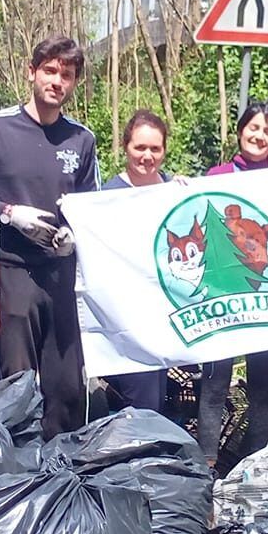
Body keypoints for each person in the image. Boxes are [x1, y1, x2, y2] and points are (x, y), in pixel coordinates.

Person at [0, 37, 98, 434]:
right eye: (50, 71)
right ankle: (17, 463)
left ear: (74, 84)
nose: (57, 81)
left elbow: (92, 206)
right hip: (11, 269)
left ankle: (65, 467)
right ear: (32, 73)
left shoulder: (82, 139)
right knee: (16, 378)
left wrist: (77, 234)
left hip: (60, 272)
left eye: (67, 75)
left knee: (67, 384)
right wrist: (8, 213)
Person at [198, 100, 268, 467]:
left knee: (261, 386)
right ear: (240, 132)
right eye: (253, 127)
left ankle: (256, 462)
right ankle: (206, 464)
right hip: (221, 296)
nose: (259, 135)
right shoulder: (216, 175)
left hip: (264, 296)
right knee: (215, 383)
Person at [100, 109, 174, 414]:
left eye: (155, 148)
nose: (147, 156)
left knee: (160, 398)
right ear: (125, 147)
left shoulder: (174, 190)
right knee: (139, 402)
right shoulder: (106, 198)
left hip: (169, 316)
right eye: (139, 147)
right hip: (128, 322)